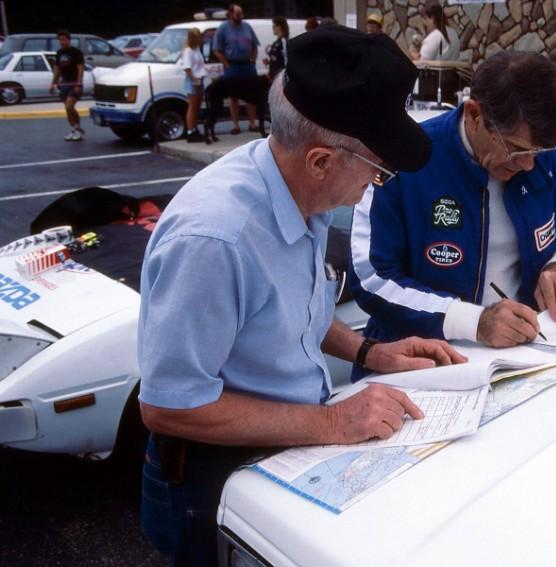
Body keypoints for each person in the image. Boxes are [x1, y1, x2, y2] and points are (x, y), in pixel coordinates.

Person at [137, 25, 465, 565]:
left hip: (279, 449)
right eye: (379, 173)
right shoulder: (216, 238)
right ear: (320, 160)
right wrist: (335, 423)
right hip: (210, 481)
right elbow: (170, 407)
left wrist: (371, 353)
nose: (374, 188)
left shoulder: (294, 192)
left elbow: (291, 315)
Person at [349, 51, 556, 368]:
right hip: (417, 365)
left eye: (537, 152)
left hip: (521, 359)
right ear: (474, 115)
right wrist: (473, 321)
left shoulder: (550, 155)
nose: (527, 164)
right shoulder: (405, 160)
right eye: (515, 148)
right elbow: (371, 276)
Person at [213, 3, 260, 134]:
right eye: (238, 14)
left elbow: (255, 45)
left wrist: (253, 59)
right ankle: (235, 125)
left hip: (247, 65)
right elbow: (217, 49)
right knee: (233, 96)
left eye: (241, 14)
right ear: (230, 14)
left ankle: (252, 123)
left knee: (251, 95)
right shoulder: (223, 28)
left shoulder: (247, 27)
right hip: (232, 65)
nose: (240, 16)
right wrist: (225, 63)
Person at [49, 30, 85, 142]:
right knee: (68, 109)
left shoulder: (76, 52)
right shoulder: (59, 53)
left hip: (74, 83)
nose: (61, 42)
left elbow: (80, 69)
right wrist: (53, 83)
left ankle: (78, 129)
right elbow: (57, 70)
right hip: (64, 83)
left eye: (64, 39)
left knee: (70, 106)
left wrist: (79, 83)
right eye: (60, 40)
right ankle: (74, 129)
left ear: (69, 39)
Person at [180, 28, 207, 143]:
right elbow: (187, 68)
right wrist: (194, 79)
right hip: (193, 80)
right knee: (192, 106)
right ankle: (190, 130)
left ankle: (195, 128)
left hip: (199, 79)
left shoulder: (197, 49)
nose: (200, 40)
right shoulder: (188, 51)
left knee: (197, 106)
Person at [263, 16, 289, 84]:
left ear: (280, 27)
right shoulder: (276, 42)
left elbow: (286, 61)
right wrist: (269, 62)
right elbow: (277, 59)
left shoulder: (283, 41)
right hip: (274, 78)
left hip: (280, 80)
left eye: (274, 26)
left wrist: (281, 79)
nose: (273, 28)